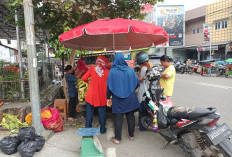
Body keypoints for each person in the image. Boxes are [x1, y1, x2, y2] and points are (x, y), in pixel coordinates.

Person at [107, 53, 140, 144]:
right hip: (130, 97)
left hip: (117, 99)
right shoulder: (130, 70)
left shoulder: (112, 71)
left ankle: (117, 138)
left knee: (118, 118)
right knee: (130, 116)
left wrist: (108, 98)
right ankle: (131, 135)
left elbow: (109, 86)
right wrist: (131, 89)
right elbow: (137, 83)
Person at [82, 55, 109, 134]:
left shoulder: (92, 69)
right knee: (102, 114)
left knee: (89, 114)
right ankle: (102, 129)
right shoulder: (108, 72)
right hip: (102, 96)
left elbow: (83, 78)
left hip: (91, 96)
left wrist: (89, 82)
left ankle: (88, 130)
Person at [136, 52, 150, 131]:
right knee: (144, 110)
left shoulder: (144, 69)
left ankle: (143, 127)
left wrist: (136, 77)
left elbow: (141, 79)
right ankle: (144, 125)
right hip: (144, 91)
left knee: (142, 110)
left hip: (143, 92)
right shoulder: (144, 68)